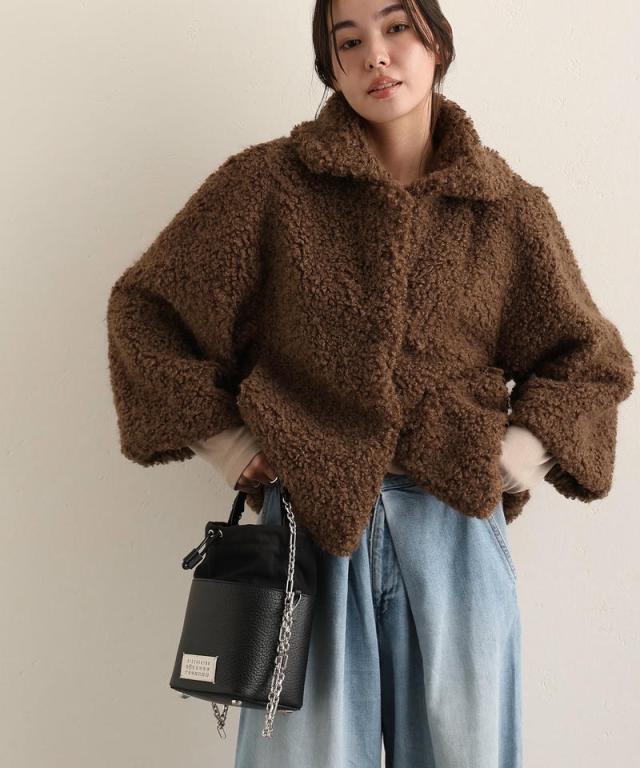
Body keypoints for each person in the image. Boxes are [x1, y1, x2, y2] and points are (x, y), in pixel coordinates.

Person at [105, 1, 635, 765]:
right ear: (329, 66)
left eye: (397, 29)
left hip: (455, 536)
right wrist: (229, 445)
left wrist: (513, 459)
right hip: (307, 535)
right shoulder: (268, 187)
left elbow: (591, 362)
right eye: (347, 41)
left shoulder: (505, 209)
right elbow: (146, 312)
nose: (375, 56)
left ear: (437, 40)